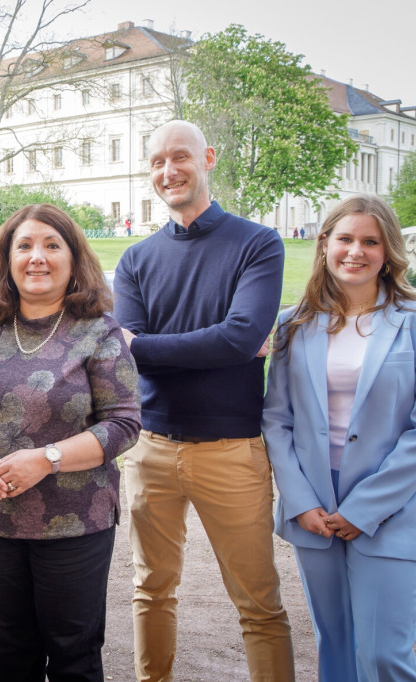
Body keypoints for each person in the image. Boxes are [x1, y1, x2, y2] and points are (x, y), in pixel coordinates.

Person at [112, 119, 294, 681]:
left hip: (232, 451)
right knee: (150, 591)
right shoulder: (136, 260)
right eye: (158, 161)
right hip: (151, 449)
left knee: (259, 604)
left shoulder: (257, 243)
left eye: (181, 157)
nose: (169, 170)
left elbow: (241, 336)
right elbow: (127, 354)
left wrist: (147, 345)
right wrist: (216, 345)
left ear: (208, 158)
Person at [0, 203, 141, 680]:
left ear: (73, 259)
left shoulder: (99, 331)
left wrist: (48, 459)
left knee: (73, 650)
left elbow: (124, 422)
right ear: (7, 260)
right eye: (24, 246)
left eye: (52, 245)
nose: (37, 257)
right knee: (12, 643)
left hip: (75, 523)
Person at [262, 195, 416, 681]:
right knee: (337, 650)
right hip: (314, 511)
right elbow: (277, 420)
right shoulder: (292, 324)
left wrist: (365, 507)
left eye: (371, 241)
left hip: (389, 510)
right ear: (324, 244)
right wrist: (300, 501)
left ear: (388, 252)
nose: (356, 251)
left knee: (383, 657)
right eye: (345, 238)